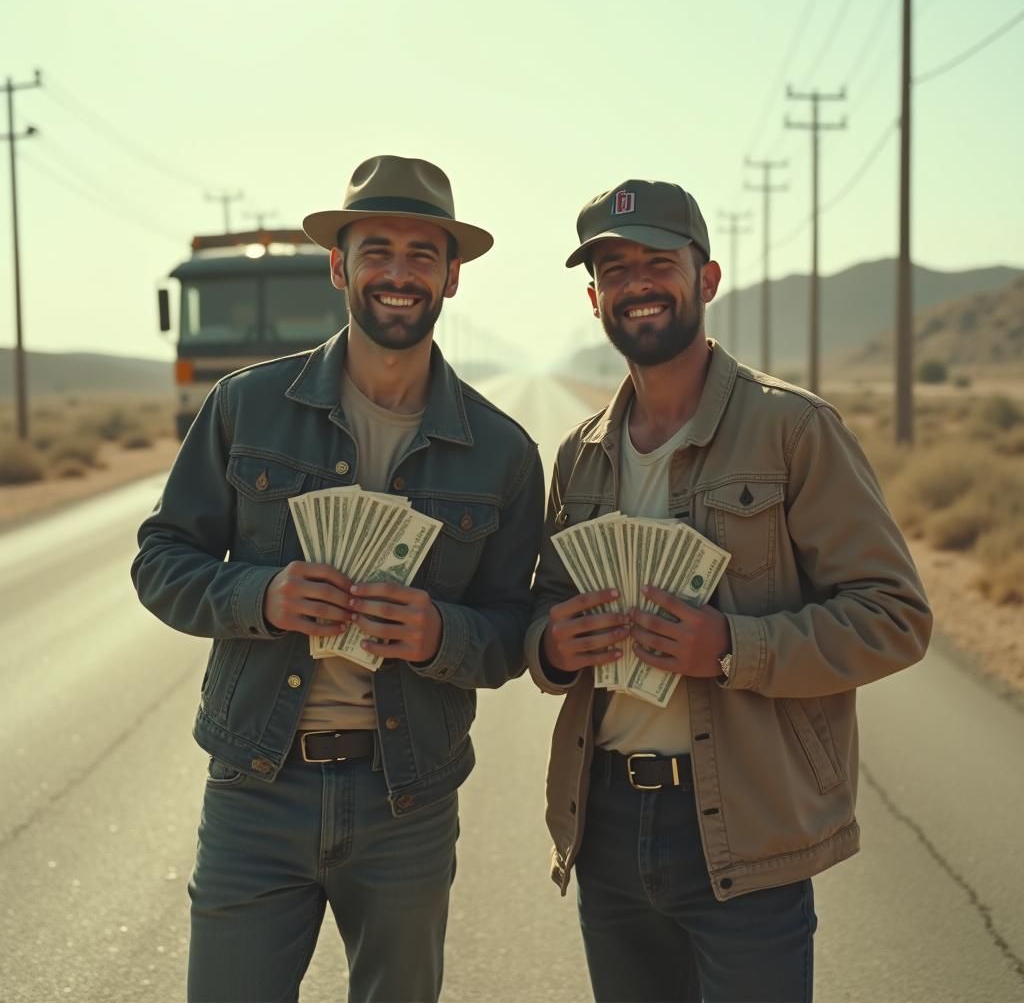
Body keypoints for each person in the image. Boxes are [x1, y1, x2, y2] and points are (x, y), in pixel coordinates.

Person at [132, 154, 544, 1003]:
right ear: (339, 266)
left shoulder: (504, 452)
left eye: (423, 254)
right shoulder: (247, 406)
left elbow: (515, 629)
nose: (400, 273)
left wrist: (443, 635)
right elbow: (161, 559)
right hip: (255, 787)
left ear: (452, 276)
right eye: (378, 250)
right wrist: (261, 596)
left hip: (408, 801)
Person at [526, 178, 932, 1003]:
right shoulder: (580, 455)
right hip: (603, 825)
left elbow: (895, 618)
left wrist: (732, 648)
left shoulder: (793, 430)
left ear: (705, 280)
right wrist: (552, 646)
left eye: (656, 262)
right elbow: (544, 606)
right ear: (594, 295)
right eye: (613, 268)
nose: (636, 282)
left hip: (741, 831)